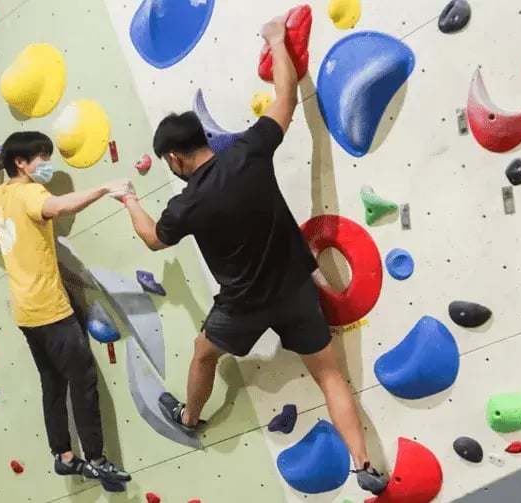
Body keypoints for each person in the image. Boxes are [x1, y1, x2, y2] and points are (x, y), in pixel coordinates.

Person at [117, 16, 390, 496]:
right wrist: (277, 40)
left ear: (175, 160)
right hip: (294, 288)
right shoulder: (249, 151)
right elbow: (285, 99)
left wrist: (130, 201)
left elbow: (153, 239)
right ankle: (364, 463)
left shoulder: (186, 203)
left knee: (204, 354)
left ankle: (189, 416)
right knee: (330, 376)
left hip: (242, 303)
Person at [0, 131, 133, 491]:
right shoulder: (31, 193)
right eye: (41, 157)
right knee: (83, 382)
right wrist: (106, 188)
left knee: (53, 383)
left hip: (26, 313)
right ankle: (96, 460)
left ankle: (62, 455)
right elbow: (60, 207)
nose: (47, 164)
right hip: (51, 310)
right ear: (21, 162)